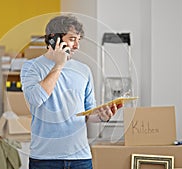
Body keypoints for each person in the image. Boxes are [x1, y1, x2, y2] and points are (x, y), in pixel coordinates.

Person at [20, 15, 122, 169]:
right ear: (54, 38)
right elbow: (36, 99)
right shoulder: (31, 67)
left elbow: (87, 113)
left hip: (80, 158)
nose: (77, 46)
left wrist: (101, 116)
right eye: (72, 39)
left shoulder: (84, 70)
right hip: (44, 159)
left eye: (78, 40)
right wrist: (59, 65)